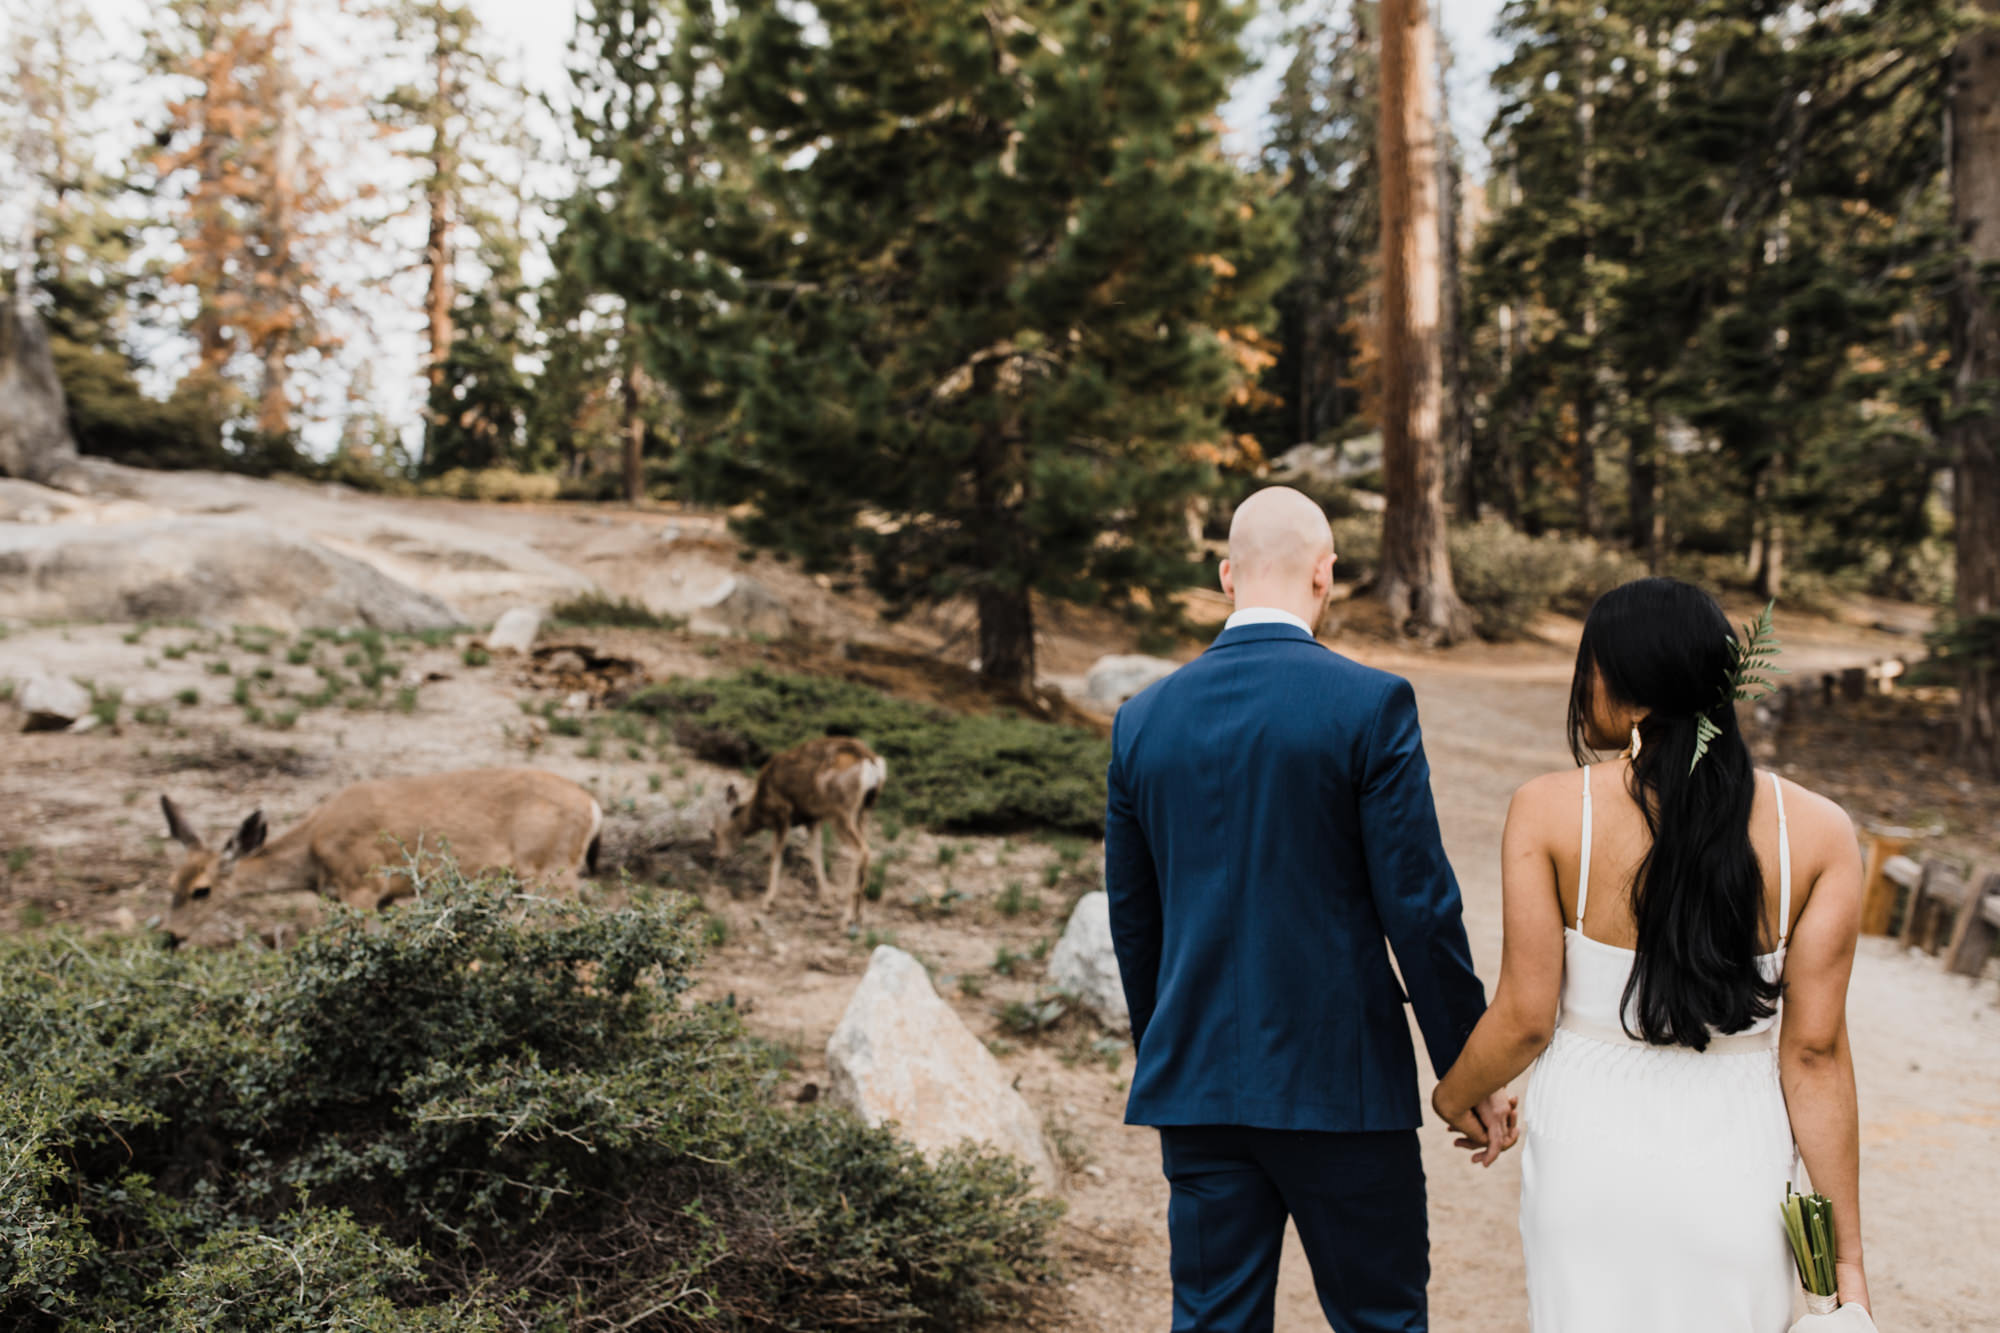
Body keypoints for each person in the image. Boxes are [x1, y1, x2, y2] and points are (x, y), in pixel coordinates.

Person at [1105, 485, 1516, 1333]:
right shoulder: (1370, 705)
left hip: (1199, 1090)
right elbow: (1422, 907)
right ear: (1326, 575)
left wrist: (1169, 1054)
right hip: (1344, 1090)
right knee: (1380, 1321)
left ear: (1227, 576)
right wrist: (1467, 1068)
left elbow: (1134, 922)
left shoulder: (1141, 722)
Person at [1431, 577, 1870, 1331]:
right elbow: (1816, 1054)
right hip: (1740, 1156)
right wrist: (1847, 1262)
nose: (1580, 687)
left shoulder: (1549, 810)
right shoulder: (1821, 833)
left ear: (1636, 696)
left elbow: (1526, 1017)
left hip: (1589, 1154)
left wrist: (1454, 1093)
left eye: (1589, 666)